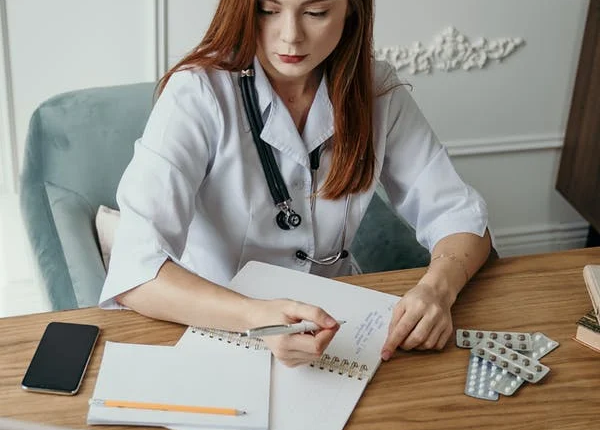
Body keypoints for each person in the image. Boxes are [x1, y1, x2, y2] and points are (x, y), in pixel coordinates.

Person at [99, 0, 492, 367]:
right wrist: (258, 317)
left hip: (343, 326)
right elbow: (136, 270)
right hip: (217, 321)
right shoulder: (198, 93)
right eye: (269, 9)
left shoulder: (375, 88)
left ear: (351, 10)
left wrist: (437, 289)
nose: (290, 35)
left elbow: (459, 215)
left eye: (316, 12)